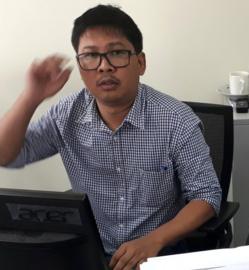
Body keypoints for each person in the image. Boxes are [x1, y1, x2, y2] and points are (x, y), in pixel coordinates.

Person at [0, 4, 221, 270]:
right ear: (80, 66)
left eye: (116, 53)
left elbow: (207, 196)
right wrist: (32, 96)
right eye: (91, 56)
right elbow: (6, 155)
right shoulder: (65, 115)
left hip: (159, 253)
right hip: (87, 250)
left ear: (140, 62)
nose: (104, 67)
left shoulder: (176, 120)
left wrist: (153, 241)